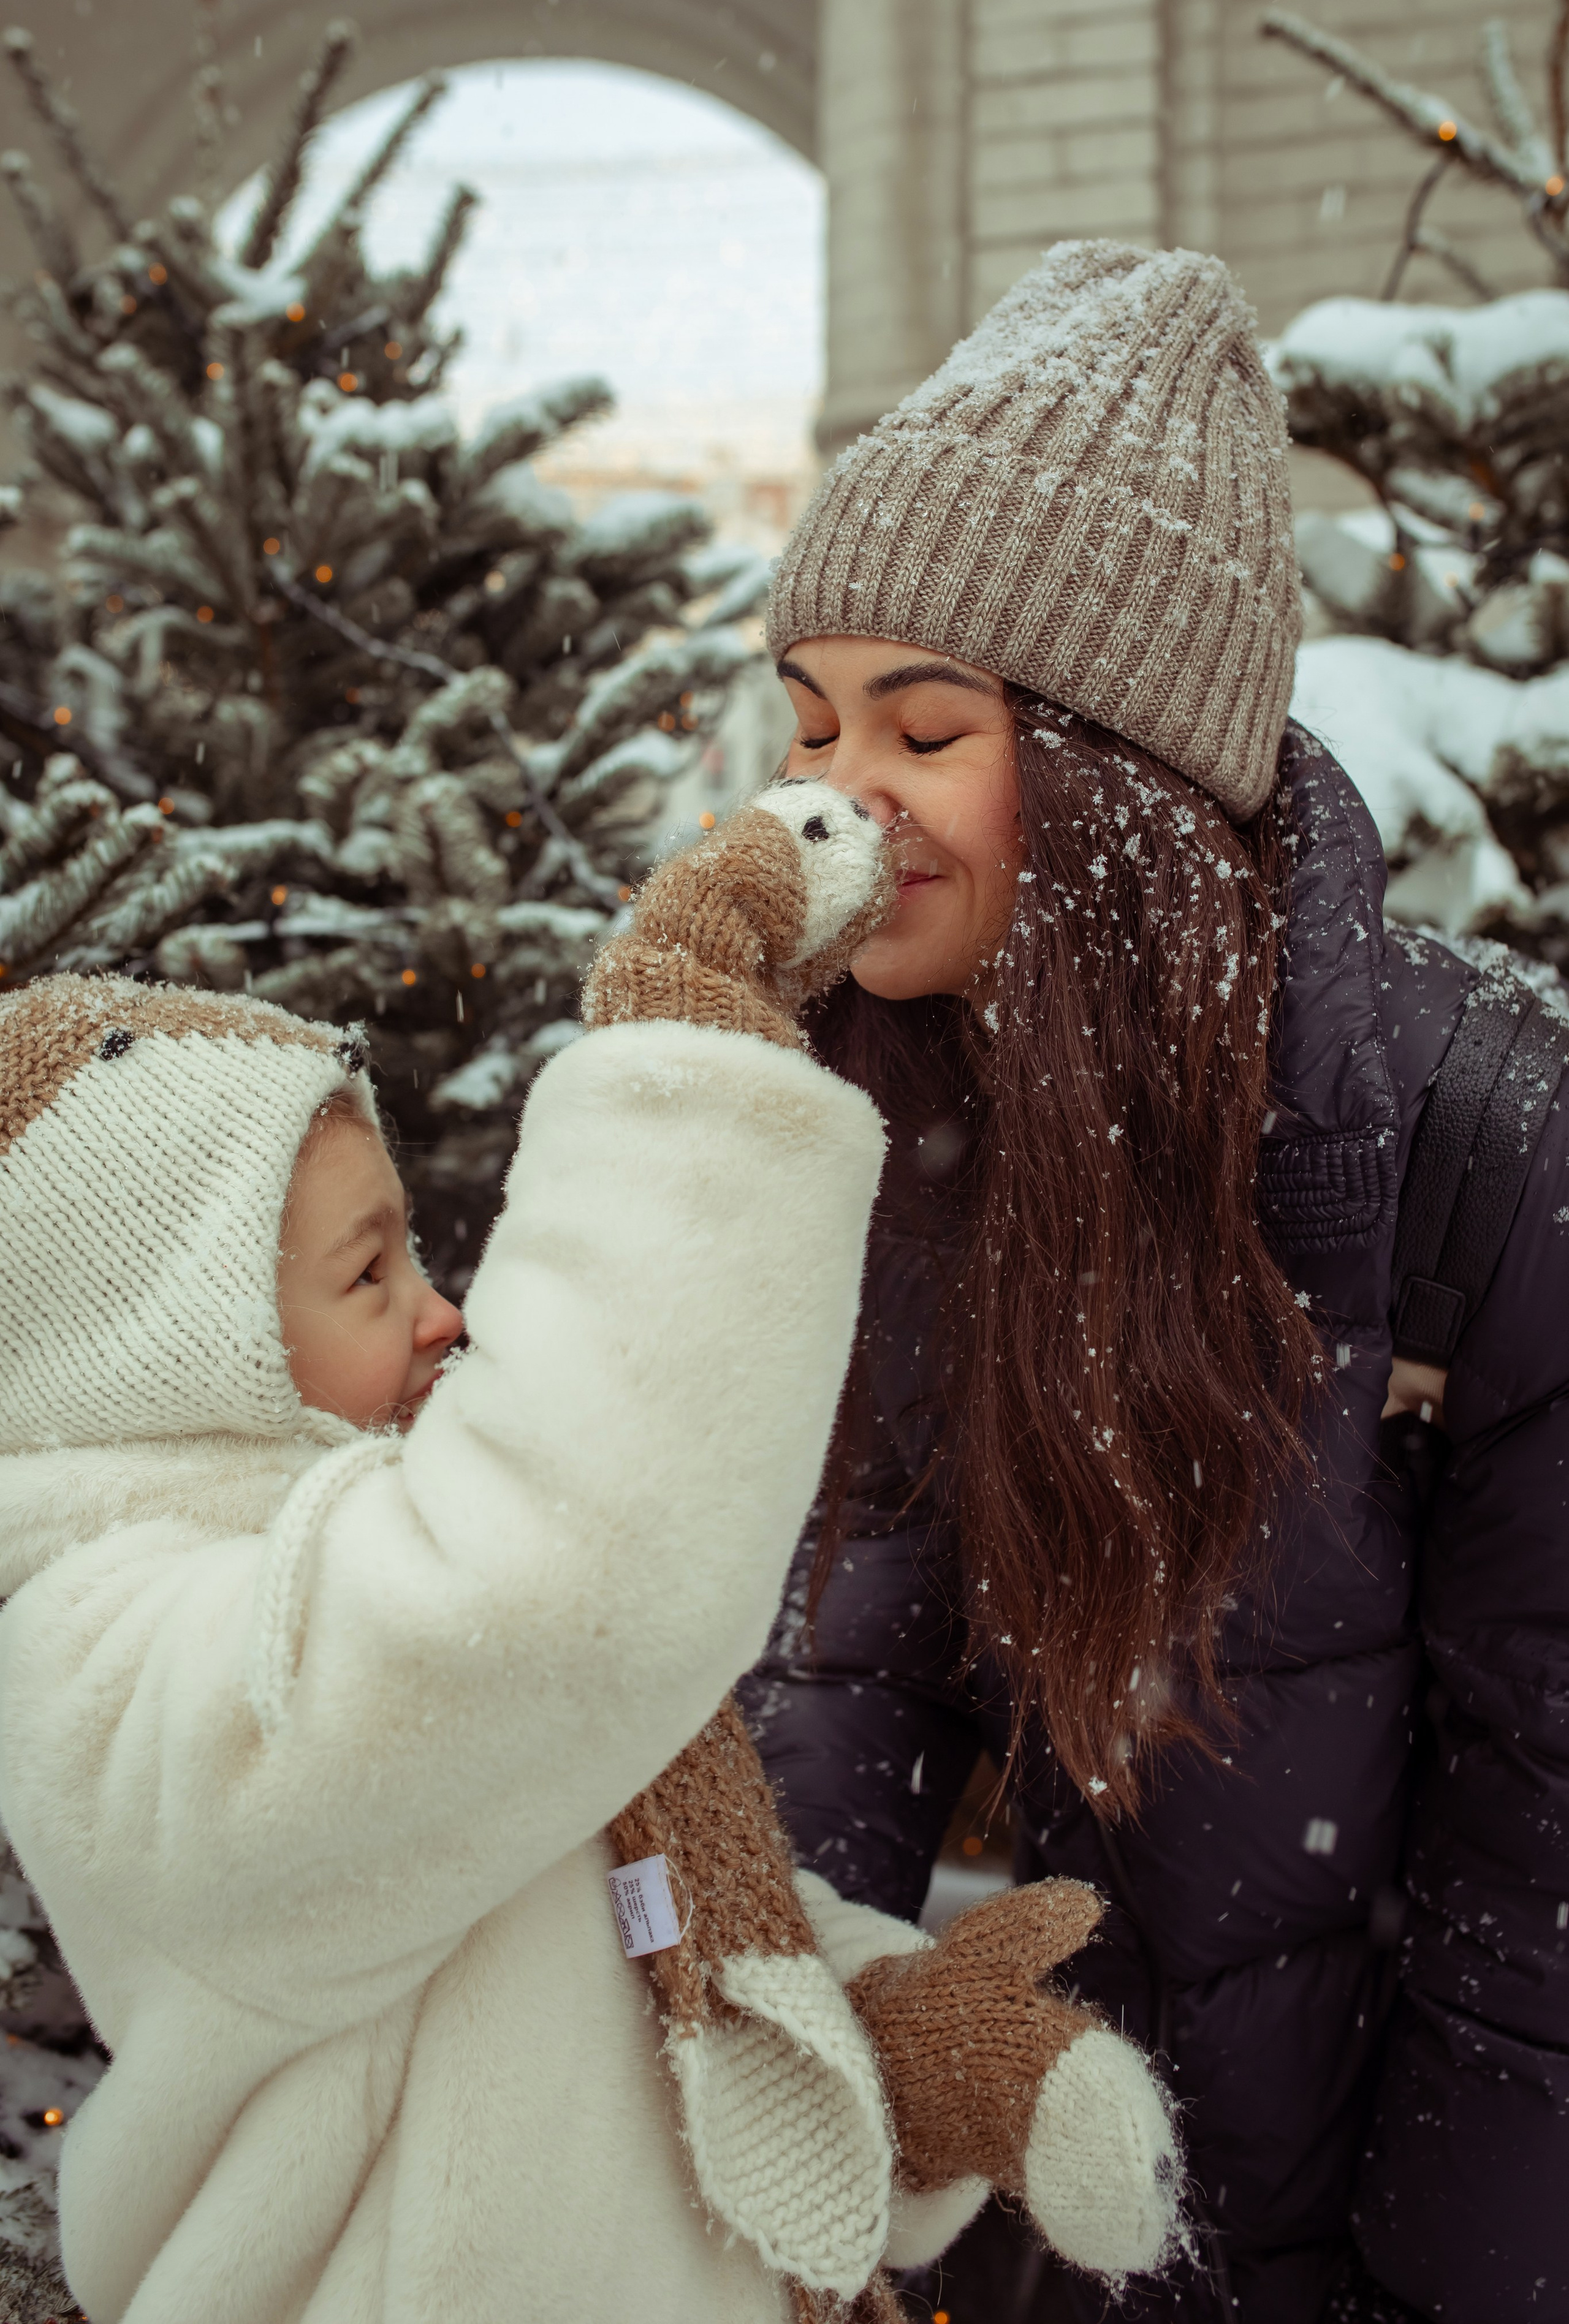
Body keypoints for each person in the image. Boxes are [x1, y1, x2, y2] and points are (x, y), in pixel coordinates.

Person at [0, 782, 1179, 2324]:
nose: (443, 1312)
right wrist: (683, 1037)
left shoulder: (364, 1568)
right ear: (171, 1347)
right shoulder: (132, 1670)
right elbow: (578, 1591)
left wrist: (881, 2030)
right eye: (371, 1269)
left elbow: (622, 1913)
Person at [740, 240, 1569, 2324]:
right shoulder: (900, 1101)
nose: (836, 789)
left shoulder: (1483, 1154)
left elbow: (1543, 1879)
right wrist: (764, 2071)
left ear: (1126, 788)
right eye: (814, 716)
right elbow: (859, 1662)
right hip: (1080, 2205)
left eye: (923, 724)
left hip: (1406, 2212)